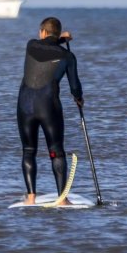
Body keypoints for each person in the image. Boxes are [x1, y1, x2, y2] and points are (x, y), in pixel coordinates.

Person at [17, 16, 83, 205]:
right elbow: (75, 87)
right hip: (48, 108)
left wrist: (61, 38)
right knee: (56, 152)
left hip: (25, 106)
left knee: (29, 151)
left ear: (42, 32)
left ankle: (31, 198)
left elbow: (46, 45)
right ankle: (62, 199)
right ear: (55, 34)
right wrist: (79, 99)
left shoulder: (31, 46)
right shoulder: (68, 57)